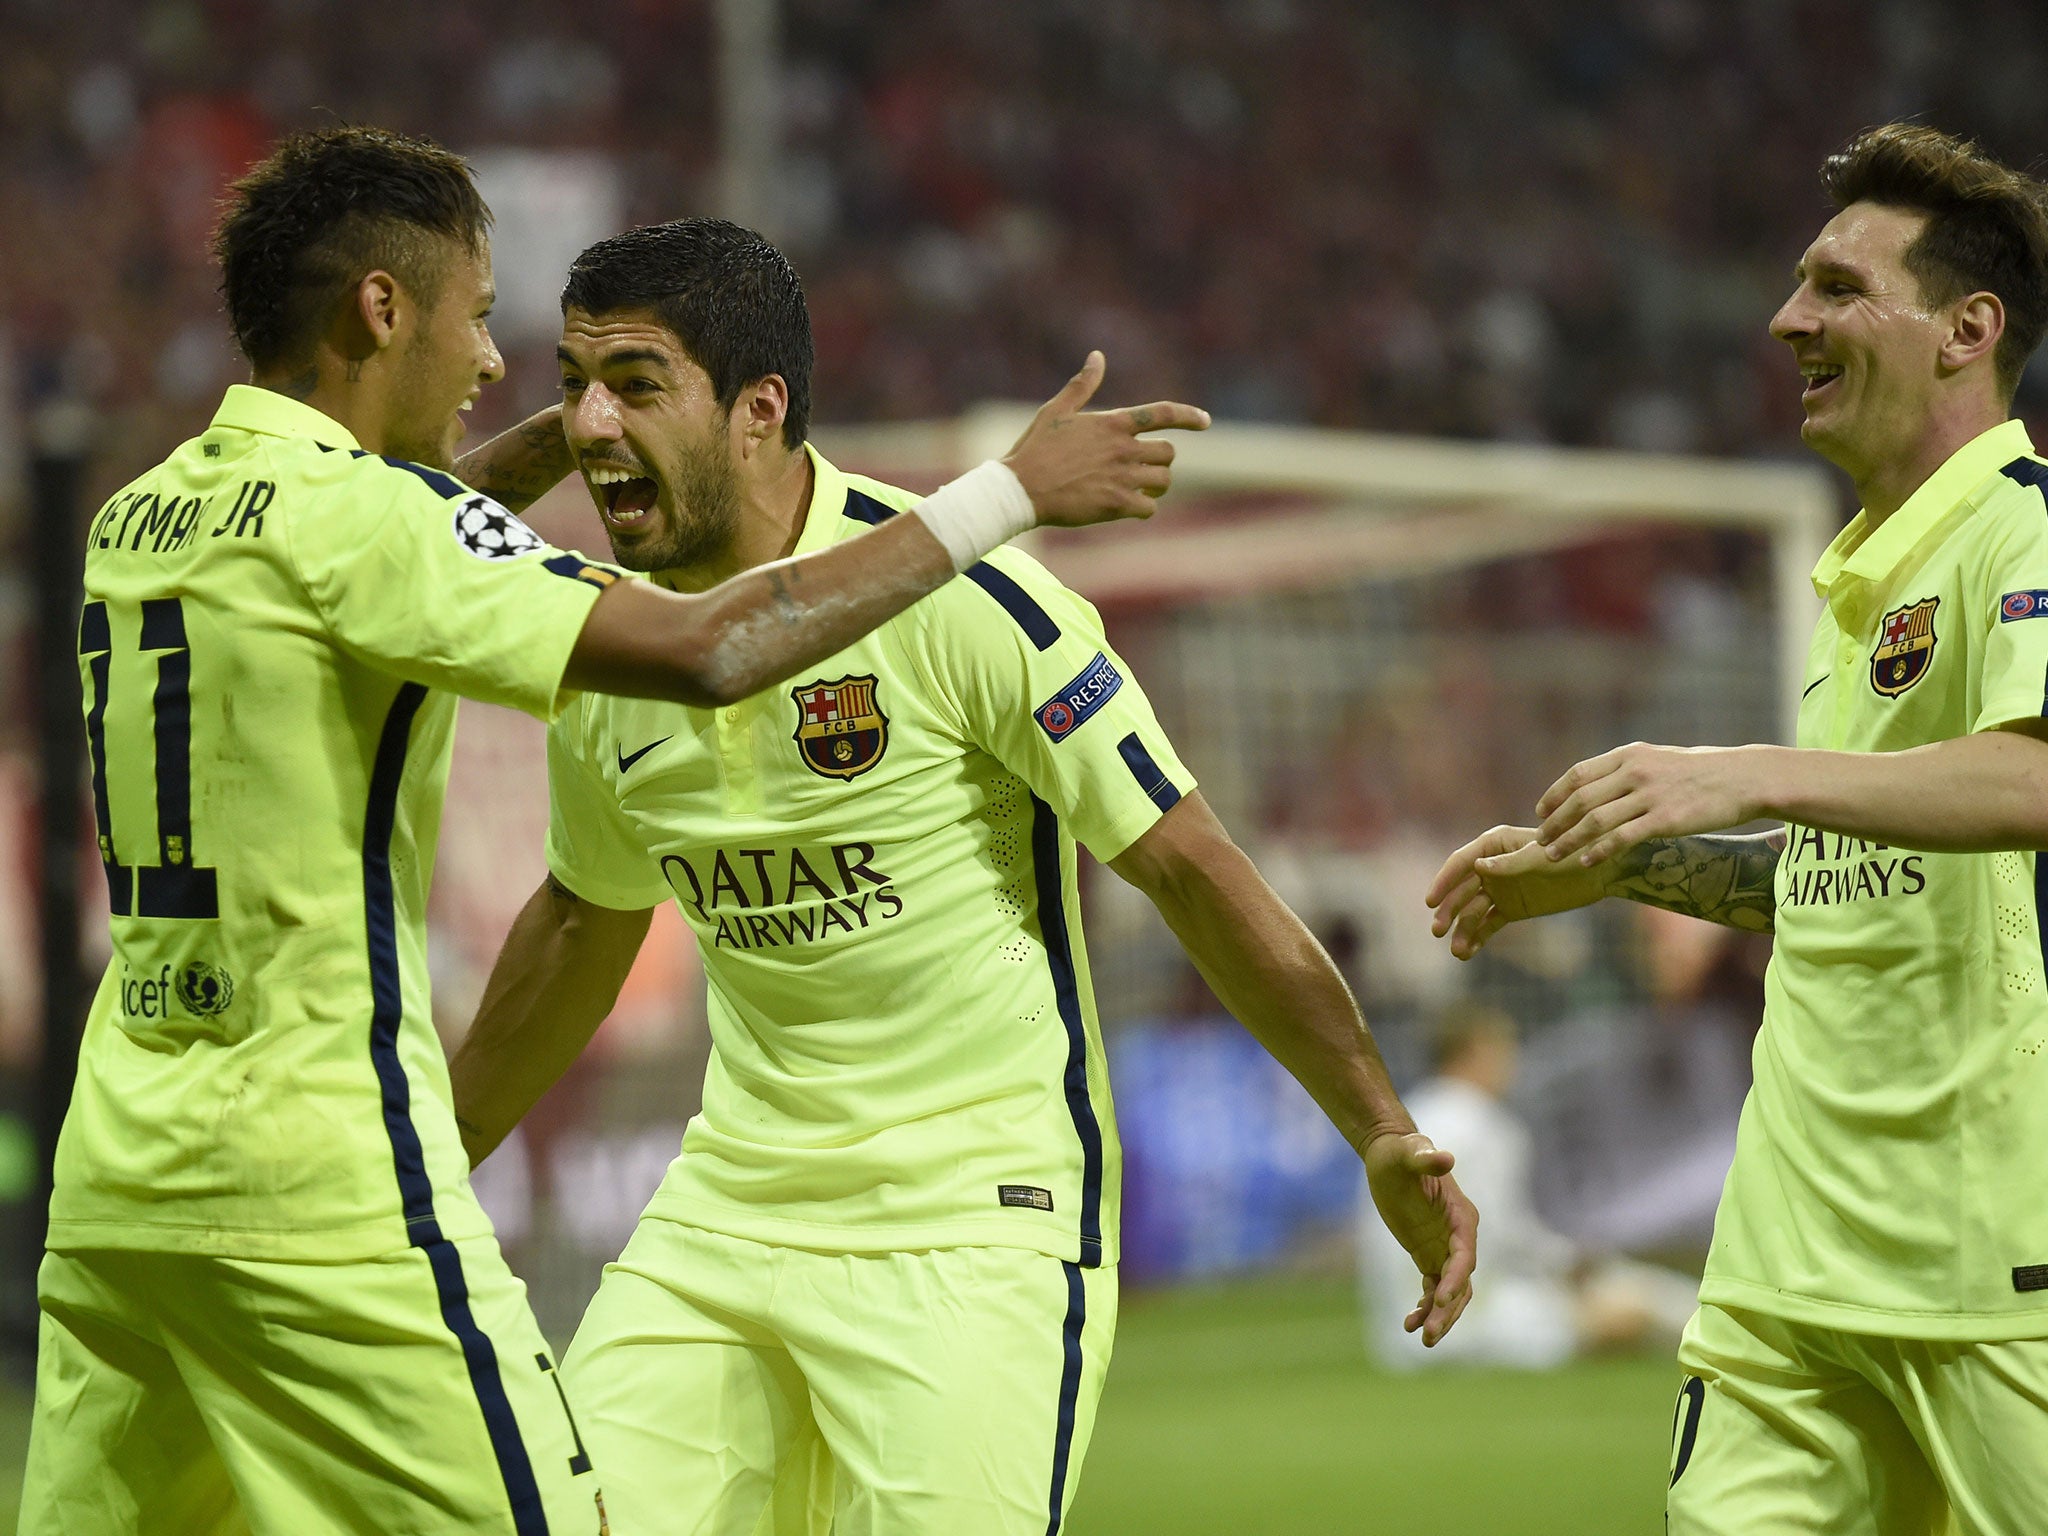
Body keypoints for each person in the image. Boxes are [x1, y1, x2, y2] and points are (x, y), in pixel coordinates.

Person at [19, 126, 1208, 1536]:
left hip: (117, 1188)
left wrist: (597, 435)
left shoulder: (147, 517)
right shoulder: (374, 525)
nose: (491, 369)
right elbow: (708, 648)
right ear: (381, 311)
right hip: (319, 1176)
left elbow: (397, 536)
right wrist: (1003, 497)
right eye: (475, 320)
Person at [448, 216, 1478, 1536]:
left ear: (759, 410)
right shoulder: (615, 649)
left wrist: (1382, 1129)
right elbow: (584, 923)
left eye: (636, 386)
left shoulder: (975, 602)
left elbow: (1190, 871)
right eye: (573, 381)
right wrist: (417, 1177)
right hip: (730, 1213)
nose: (589, 427)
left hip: (974, 1224)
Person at [1427, 123, 2048, 1535]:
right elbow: (1852, 874)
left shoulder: (2027, 534)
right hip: (1783, 1269)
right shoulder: (1864, 580)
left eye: (1837, 287)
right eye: (1795, 287)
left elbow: (2032, 787)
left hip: (1988, 1264)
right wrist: (1615, 866)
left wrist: (1744, 770)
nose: (1789, 320)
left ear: (1968, 329)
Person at [1359, 1002, 1696, 1371]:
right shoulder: (1485, 1125)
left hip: (1399, 1336)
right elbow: (1501, 1234)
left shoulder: (1406, 1119)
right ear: (1477, 1052)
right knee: (1635, 1299)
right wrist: (1571, 1262)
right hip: (1485, 1320)